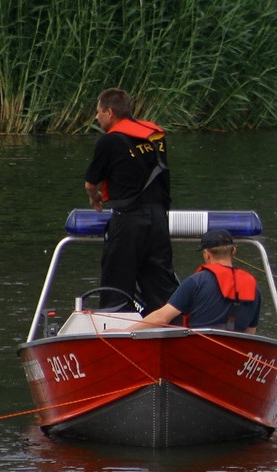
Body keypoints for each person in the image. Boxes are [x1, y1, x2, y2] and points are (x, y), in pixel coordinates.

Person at [84, 88, 179, 315]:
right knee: (161, 283)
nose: (96, 118)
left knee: (116, 284)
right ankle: (169, 326)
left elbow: (90, 183)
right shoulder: (155, 136)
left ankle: (114, 325)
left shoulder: (109, 142)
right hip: (158, 219)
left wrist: (94, 197)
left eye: (98, 112)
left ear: (109, 112)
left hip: (128, 221)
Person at [127, 230, 261, 334]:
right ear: (234, 251)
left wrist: (123, 332)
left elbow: (161, 317)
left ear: (207, 254)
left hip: (199, 348)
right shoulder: (253, 286)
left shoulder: (197, 282)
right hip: (236, 353)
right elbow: (250, 333)